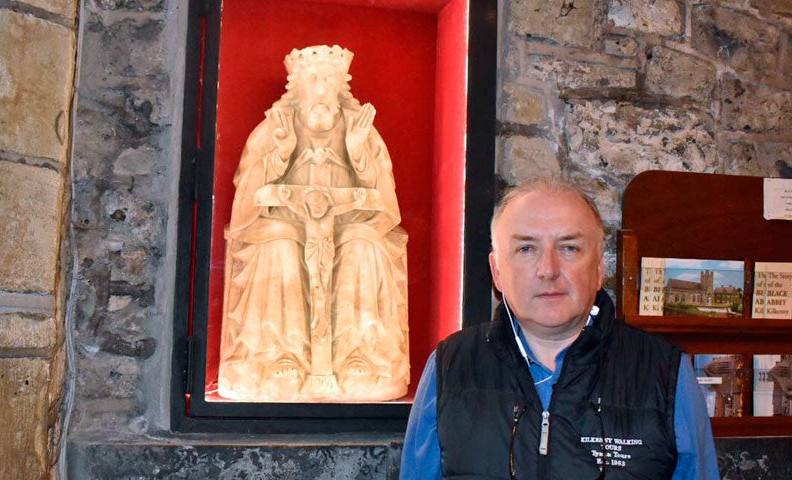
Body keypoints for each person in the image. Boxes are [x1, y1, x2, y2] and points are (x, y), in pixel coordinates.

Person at [401, 176, 719, 479]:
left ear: (598, 269)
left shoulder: (665, 372)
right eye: (526, 249)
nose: (548, 270)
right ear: (497, 271)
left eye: (569, 248)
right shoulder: (450, 366)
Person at [218, 45, 409, 402]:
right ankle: (279, 354)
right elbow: (246, 195)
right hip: (284, 226)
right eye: (314, 80)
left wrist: (357, 154)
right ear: (298, 87)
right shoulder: (273, 128)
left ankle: (358, 355)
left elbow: (386, 204)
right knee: (279, 246)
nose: (321, 89)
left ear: (341, 88)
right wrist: (280, 155)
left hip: (348, 226)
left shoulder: (361, 130)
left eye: (329, 80)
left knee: (362, 246)